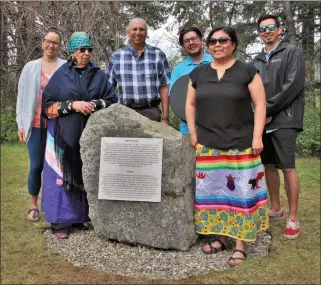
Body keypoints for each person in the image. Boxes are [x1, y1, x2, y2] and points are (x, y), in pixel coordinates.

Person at [185, 26, 269, 266]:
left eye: (223, 40)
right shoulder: (199, 74)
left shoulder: (247, 71)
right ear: (208, 45)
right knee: (215, 195)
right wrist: (193, 132)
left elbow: (260, 105)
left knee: (240, 194)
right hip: (209, 145)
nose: (217, 44)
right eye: (213, 41)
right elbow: (190, 105)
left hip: (240, 145)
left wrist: (257, 136)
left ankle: (240, 244)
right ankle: (222, 238)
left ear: (233, 43)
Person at [41, 32, 117, 239]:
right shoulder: (61, 75)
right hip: (62, 135)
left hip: (89, 135)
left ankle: (80, 216)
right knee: (60, 176)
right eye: (82, 49)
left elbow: (111, 99)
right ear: (73, 51)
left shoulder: (98, 75)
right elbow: (47, 107)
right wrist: (72, 105)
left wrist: (95, 104)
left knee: (84, 174)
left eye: (89, 49)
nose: (86, 53)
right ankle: (60, 222)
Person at [252, 14, 306, 240]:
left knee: (288, 167)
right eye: (263, 28)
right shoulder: (255, 61)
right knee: (270, 167)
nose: (267, 31)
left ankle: (293, 217)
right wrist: (258, 114)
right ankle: (275, 207)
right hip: (263, 122)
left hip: (285, 119)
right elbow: (251, 91)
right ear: (259, 33)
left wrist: (267, 111)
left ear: (280, 30)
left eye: (271, 27)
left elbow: (292, 85)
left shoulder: (291, 52)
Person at [16, 28, 66, 222]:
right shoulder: (30, 67)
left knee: (58, 167)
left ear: (59, 46)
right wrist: (21, 124)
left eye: (55, 42)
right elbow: (21, 98)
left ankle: (56, 204)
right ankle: (33, 206)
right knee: (36, 165)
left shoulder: (65, 67)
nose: (50, 45)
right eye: (48, 41)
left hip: (59, 125)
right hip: (36, 124)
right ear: (42, 42)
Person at [106, 18, 171, 124]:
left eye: (141, 29)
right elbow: (108, 88)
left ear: (146, 33)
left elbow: (164, 87)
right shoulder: (116, 57)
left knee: (154, 141)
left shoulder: (158, 54)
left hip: (151, 114)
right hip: (125, 113)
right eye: (134, 29)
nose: (138, 32)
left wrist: (165, 118)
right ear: (128, 33)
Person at [170, 27, 213, 134]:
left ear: (201, 40)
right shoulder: (178, 69)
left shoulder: (215, 62)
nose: (191, 43)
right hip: (188, 130)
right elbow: (176, 100)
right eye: (186, 41)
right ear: (183, 46)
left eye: (194, 38)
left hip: (215, 129)